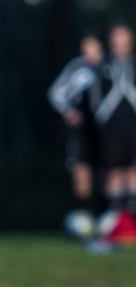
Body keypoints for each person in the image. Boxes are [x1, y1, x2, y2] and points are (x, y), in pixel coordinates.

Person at [49, 34, 104, 229]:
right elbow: (56, 92)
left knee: (107, 171)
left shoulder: (108, 67)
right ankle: (84, 217)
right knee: (81, 171)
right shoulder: (76, 68)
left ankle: (106, 216)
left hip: (104, 130)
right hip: (81, 130)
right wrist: (68, 112)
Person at [91, 23, 136, 221]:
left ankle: (131, 216)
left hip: (133, 125)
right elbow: (96, 98)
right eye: (117, 36)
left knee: (133, 171)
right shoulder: (103, 66)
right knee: (114, 171)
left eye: (124, 36)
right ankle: (114, 218)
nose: (120, 41)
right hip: (112, 128)